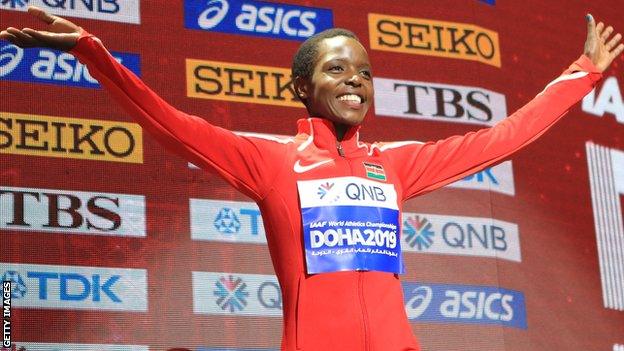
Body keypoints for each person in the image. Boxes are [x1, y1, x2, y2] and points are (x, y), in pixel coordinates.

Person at [2, 6, 622, 351]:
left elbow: (501, 137)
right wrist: (91, 50)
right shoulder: (272, 162)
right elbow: (164, 120)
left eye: (364, 71)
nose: (355, 80)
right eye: (336, 70)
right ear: (301, 88)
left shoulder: (394, 164)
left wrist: (582, 74)